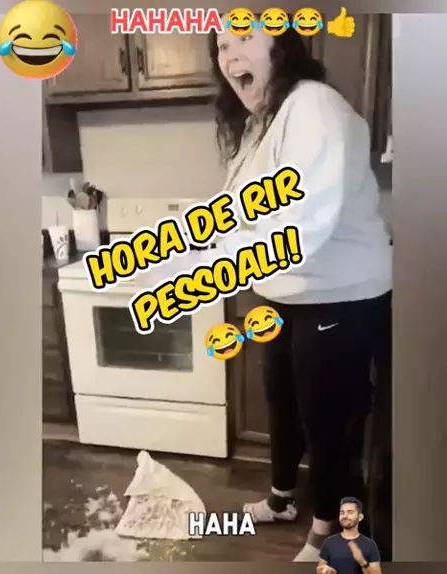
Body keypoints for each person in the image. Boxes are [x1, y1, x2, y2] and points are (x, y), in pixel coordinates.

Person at [147, 15, 392, 562]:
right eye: (221, 45)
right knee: (282, 401)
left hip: (338, 294)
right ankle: (283, 499)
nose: (229, 54)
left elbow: (303, 221)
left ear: (282, 46)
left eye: (245, 38)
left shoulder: (315, 107)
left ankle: (328, 528)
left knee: (327, 420)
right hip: (284, 291)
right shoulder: (263, 123)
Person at [318, 497, 382, 574]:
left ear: (360, 517)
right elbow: (320, 570)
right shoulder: (328, 543)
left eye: (350, 512)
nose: (345, 516)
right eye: (342, 512)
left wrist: (362, 561)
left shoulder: (370, 545)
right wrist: (329, 572)